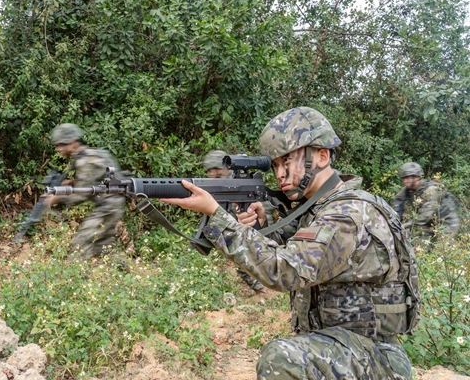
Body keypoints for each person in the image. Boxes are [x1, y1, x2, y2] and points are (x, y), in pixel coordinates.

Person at [162, 107, 420, 379]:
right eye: (274, 165)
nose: (280, 173)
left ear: (322, 155)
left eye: (287, 161)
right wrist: (261, 228)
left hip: (374, 356)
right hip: (344, 347)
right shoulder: (317, 209)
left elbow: (285, 271)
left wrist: (218, 218)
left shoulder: (348, 215)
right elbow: (291, 252)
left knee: (281, 358)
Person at [43, 123, 125, 259]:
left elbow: (81, 195)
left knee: (80, 245)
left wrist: (57, 198)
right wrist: (71, 183)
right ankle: (126, 274)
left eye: (61, 145)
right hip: (112, 204)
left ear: (73, 143)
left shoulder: (85, 161)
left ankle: (75, 278)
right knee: (103, 247)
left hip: (108, 207)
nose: (58, 149)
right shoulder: (89, 155)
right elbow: (93, 182)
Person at [203, 150, 268, 296]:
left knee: (246, 254)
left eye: (217, 169)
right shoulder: (216, 186)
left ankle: (261, 290)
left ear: (227, 168)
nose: (213, 174)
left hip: (251, 228)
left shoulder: (240, 185)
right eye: (209, 171)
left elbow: (262, 215)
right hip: (240, 229)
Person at [393, 162, 459, 249]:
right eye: (403, 178)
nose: (405, 181)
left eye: (408, 178)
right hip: (429, 224)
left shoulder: (431, 190)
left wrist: (406, 225)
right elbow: (397, 202)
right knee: (421, 249)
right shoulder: (407, 190)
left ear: (417, 177)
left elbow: (426, 215)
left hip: (446, 222)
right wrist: (396, 221)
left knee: (442, 249)